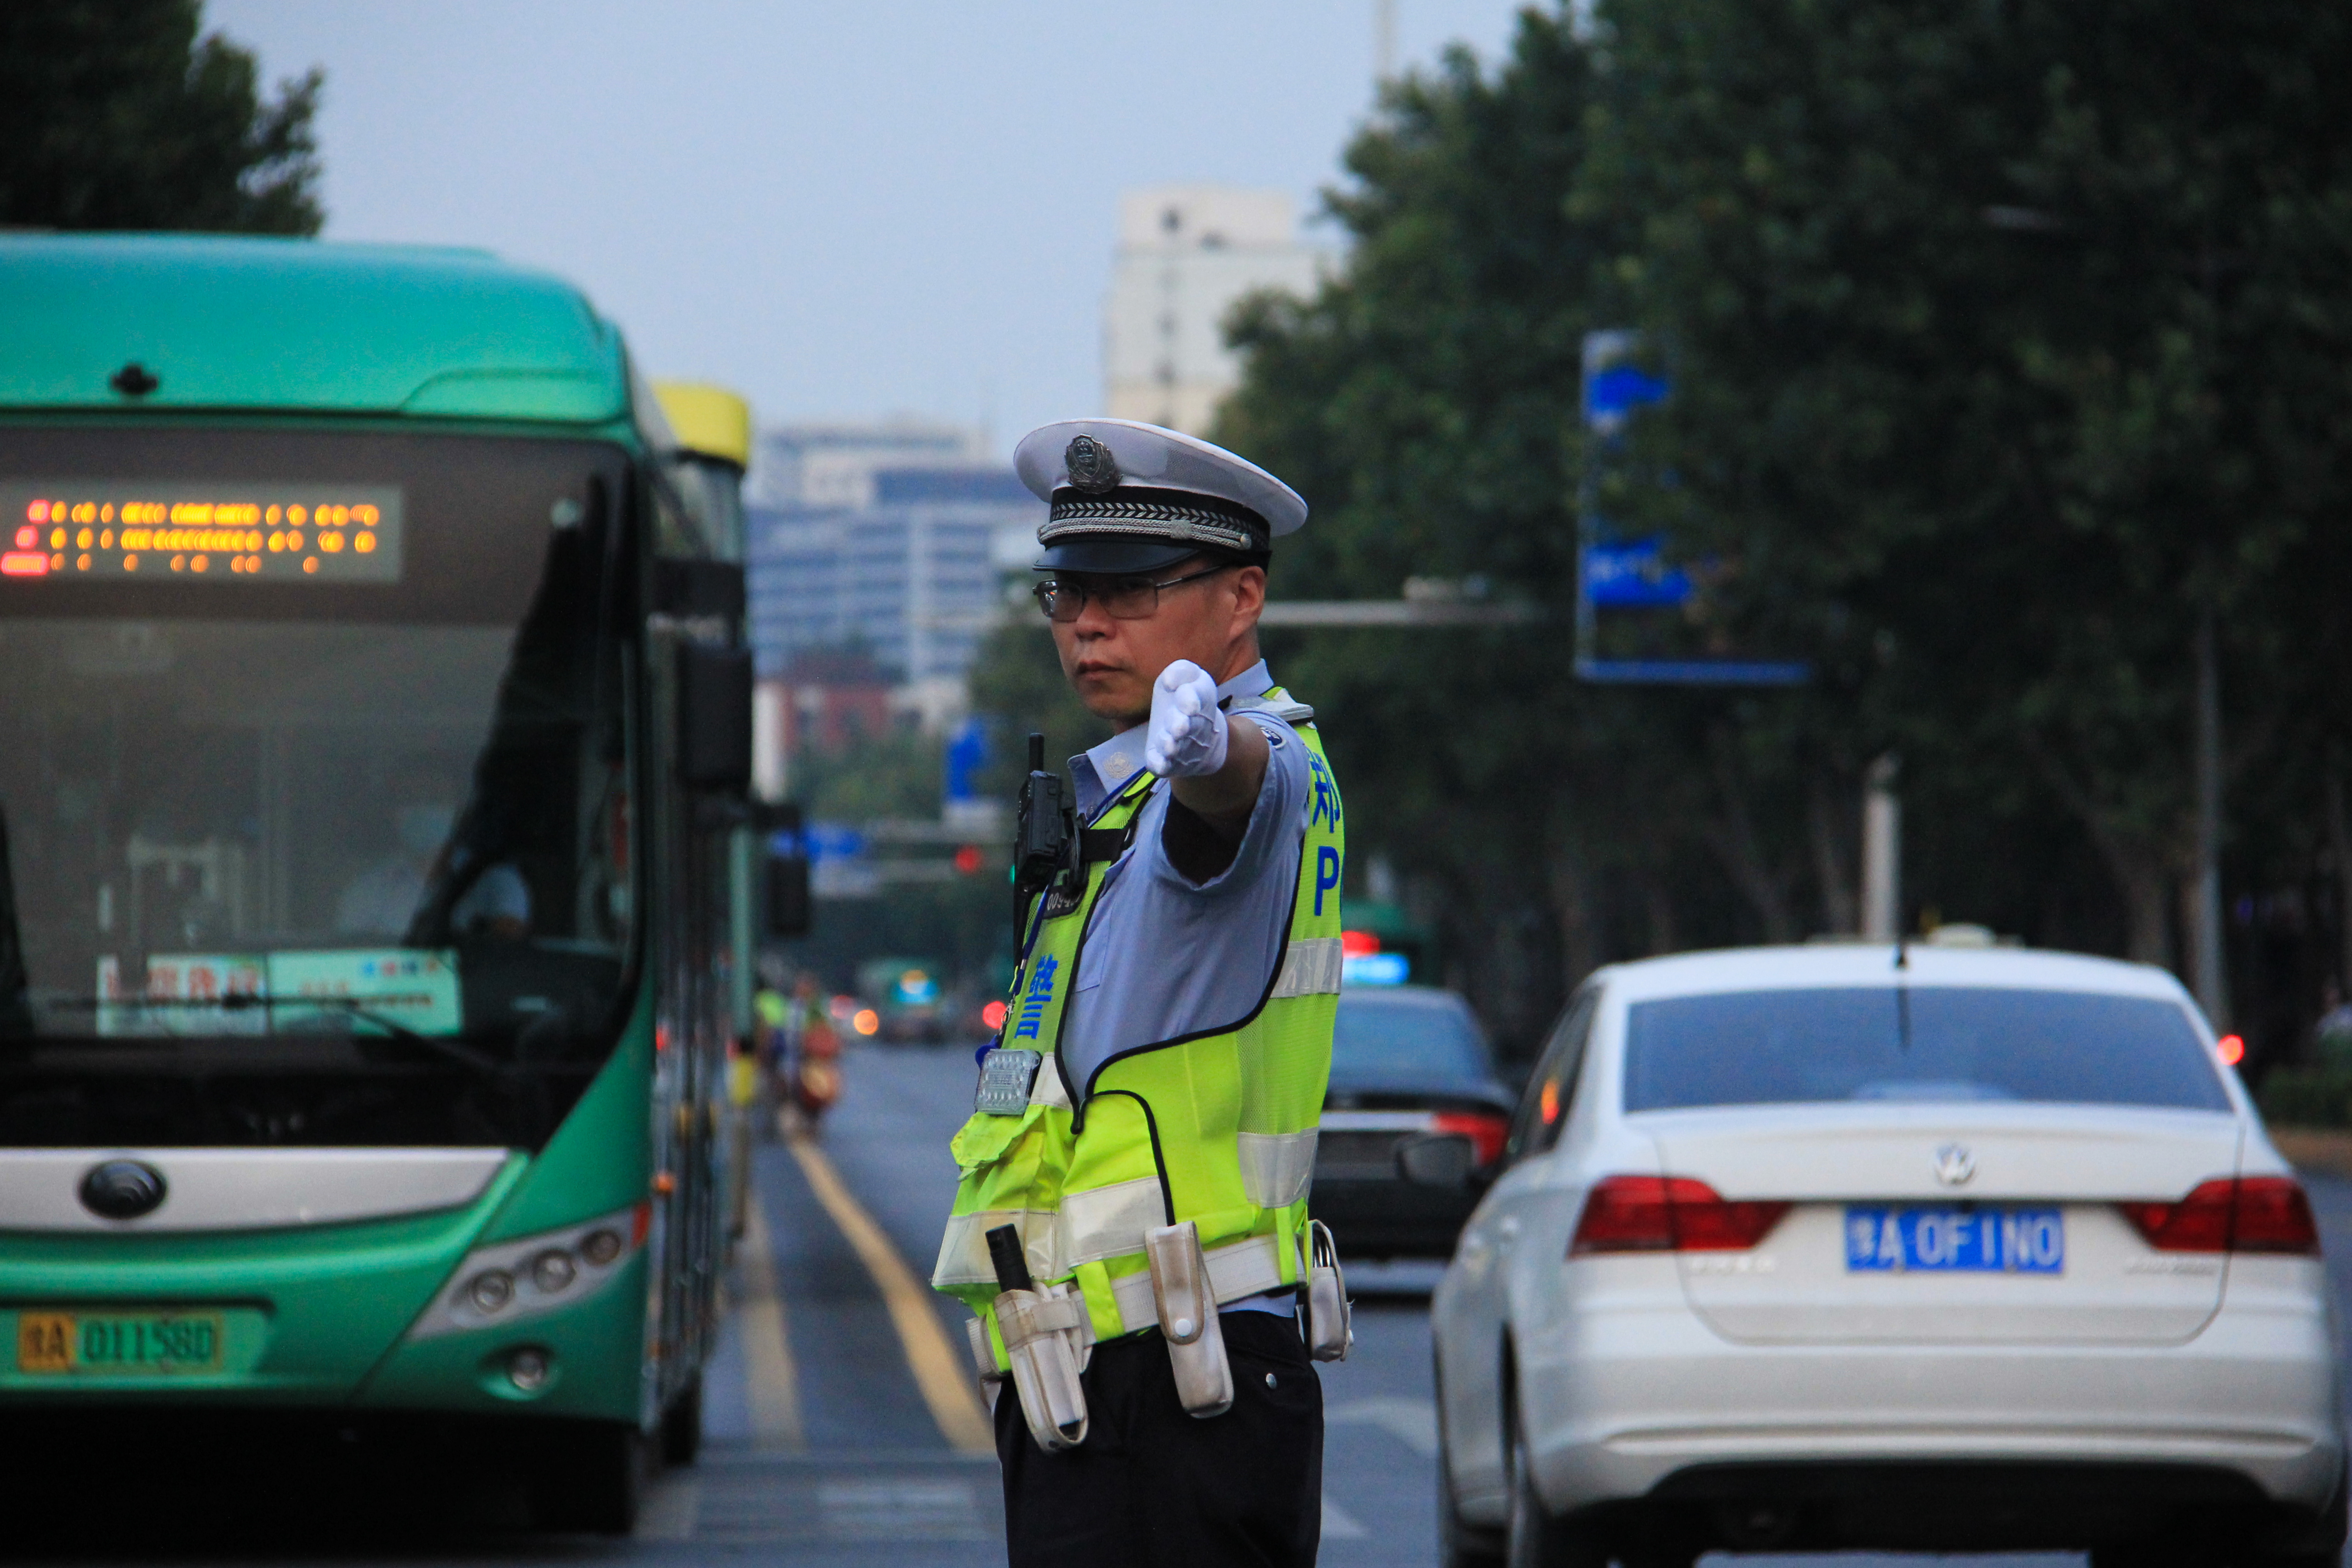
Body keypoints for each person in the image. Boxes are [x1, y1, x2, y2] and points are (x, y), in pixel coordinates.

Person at [931, 419, 1346, 1567]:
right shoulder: (1115, 806)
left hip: (1186, 1380)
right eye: (1066, 594)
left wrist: (1211, 748)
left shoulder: (1253, 765)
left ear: (1242, 595)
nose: (1090, 625)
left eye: (1132, 592)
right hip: (1095, 1371)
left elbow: (1238, 799)